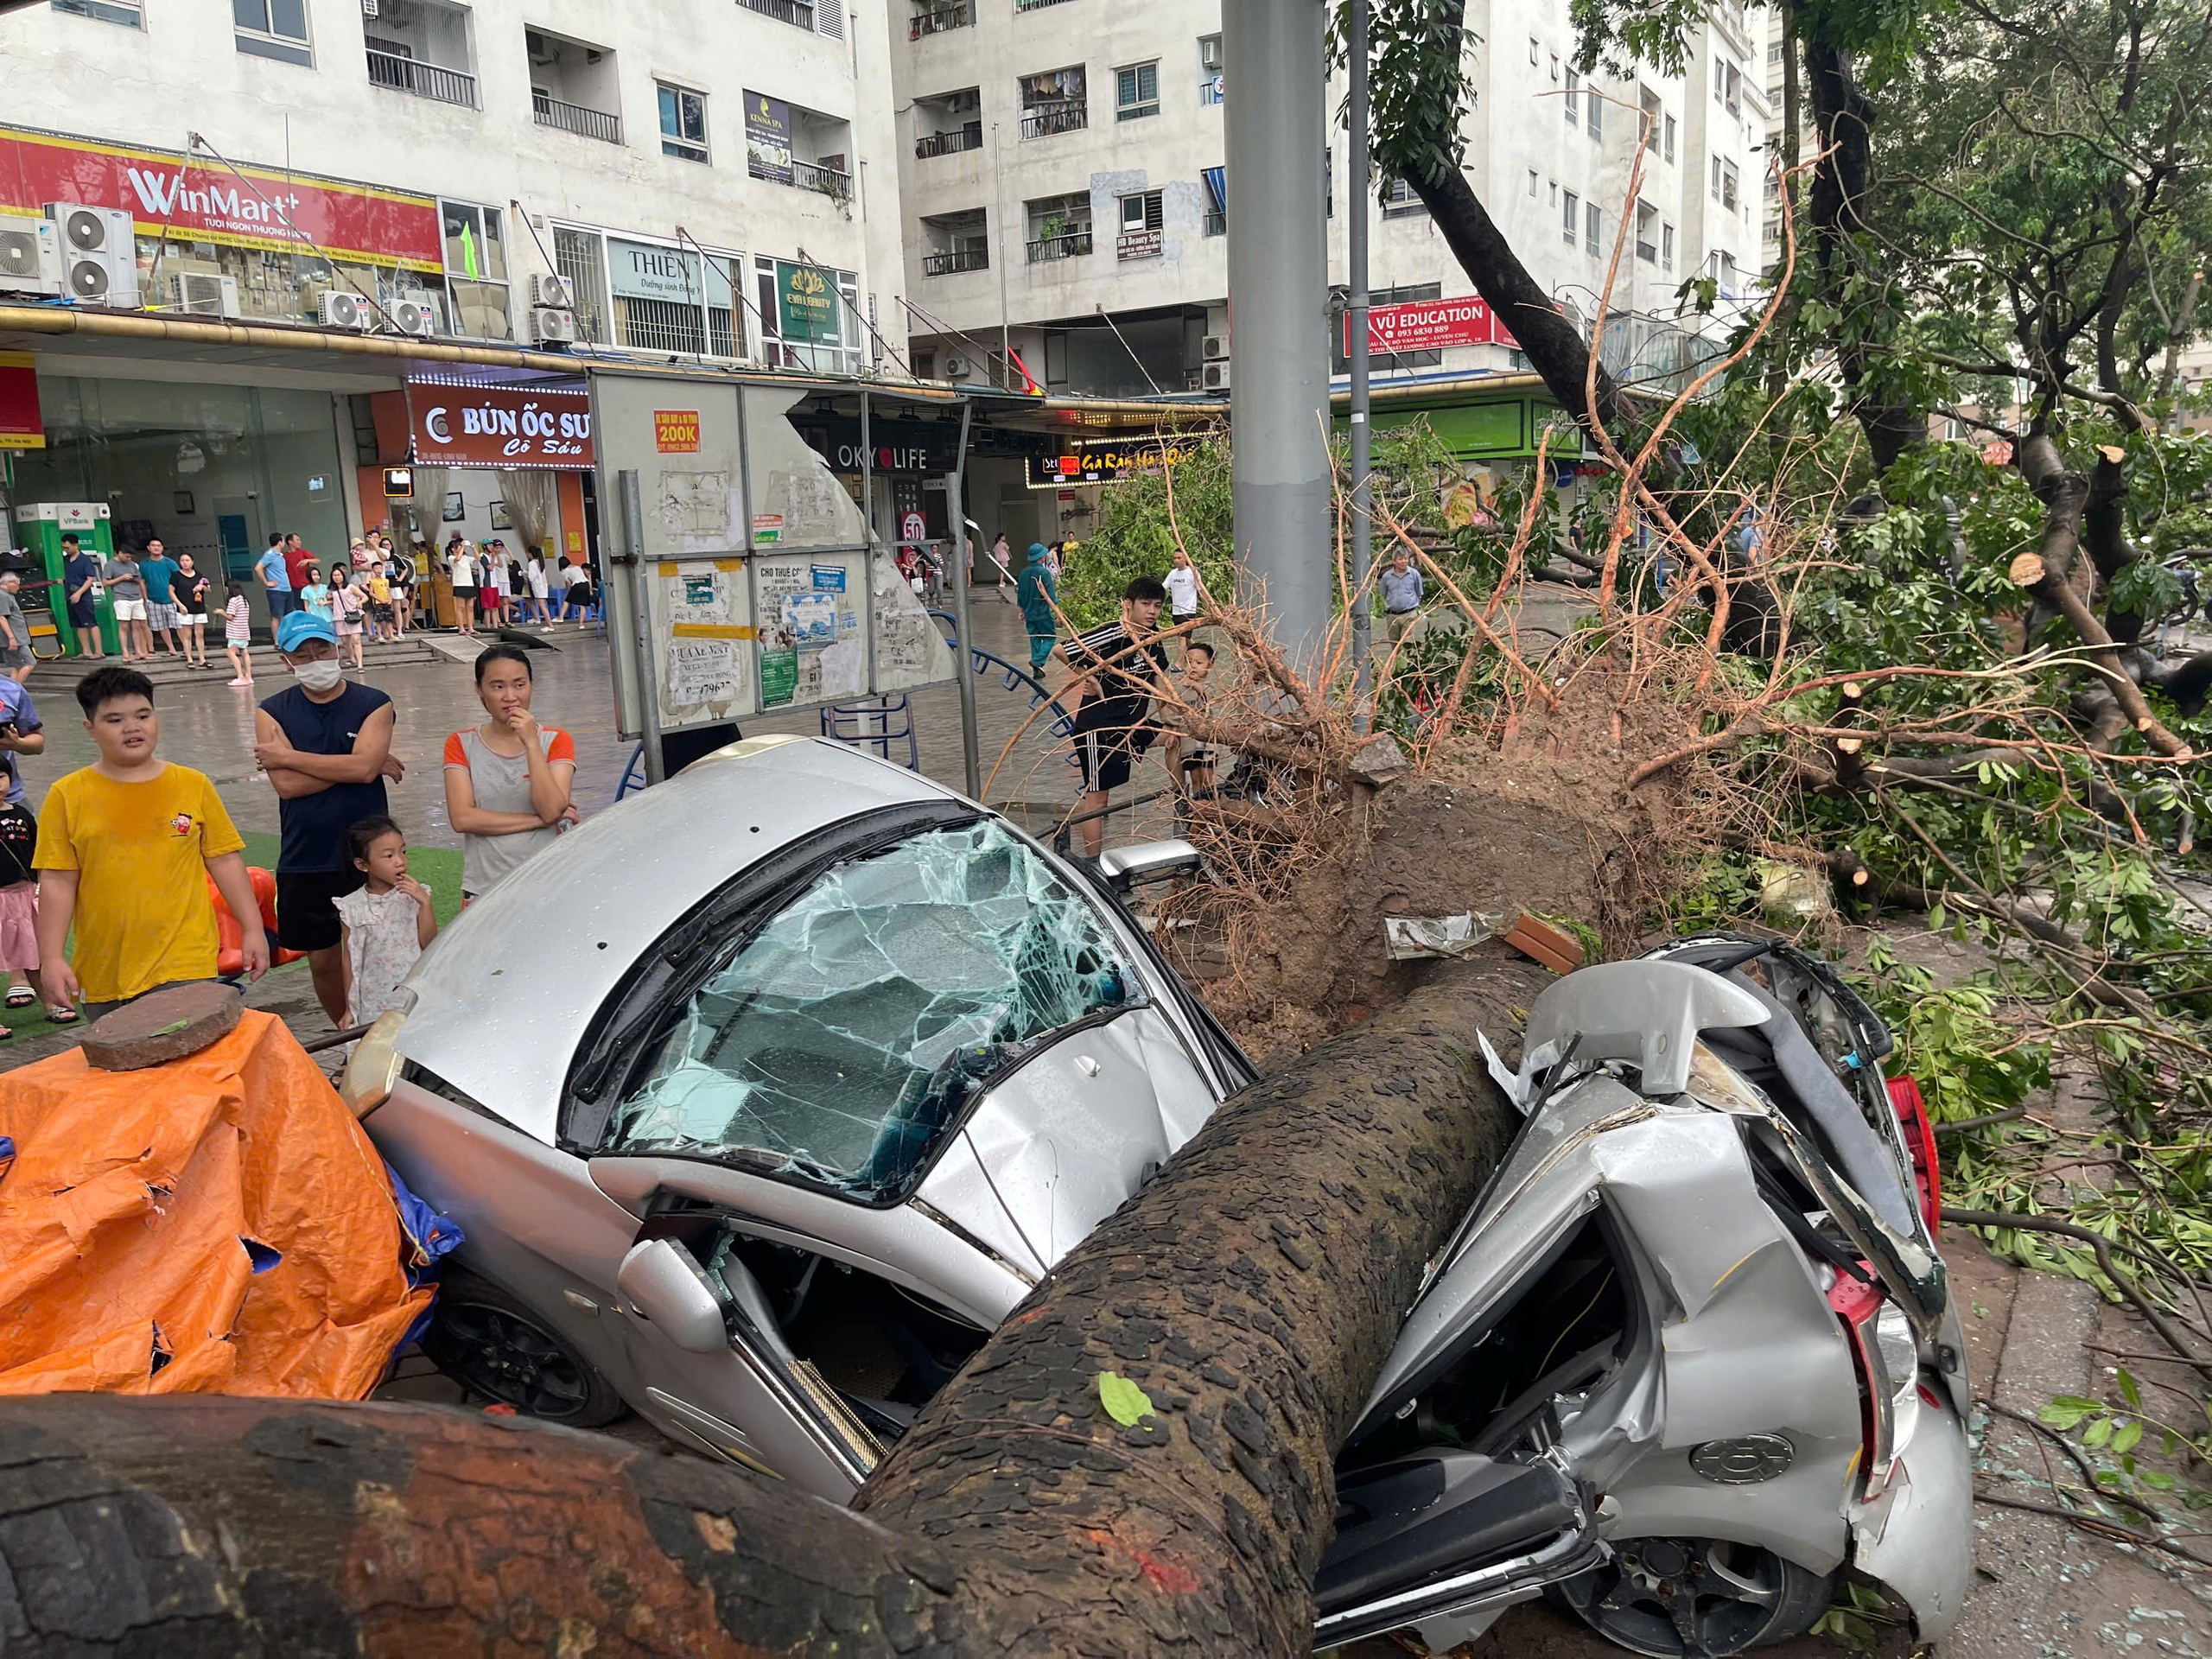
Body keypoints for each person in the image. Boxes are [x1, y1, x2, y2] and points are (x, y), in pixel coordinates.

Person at [33, 664, 268, 1021]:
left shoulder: (192, 785)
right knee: (125, 1070)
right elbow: (58, 880)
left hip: (185, 961)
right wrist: (50, 957)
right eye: (114, 720)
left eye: (142, 715)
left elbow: (225, 860)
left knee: (185, 1064)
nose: (132, 727)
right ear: (90, 729)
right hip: (104, 970)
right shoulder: (67, 795)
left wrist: (253, 928)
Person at [254, 610, 400, 1027]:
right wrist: (358, 764)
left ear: (337, 648)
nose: (315, 660)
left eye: (322, 649)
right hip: (306, 854)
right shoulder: (271, 711)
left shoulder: (374, 703)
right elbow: (287, 787)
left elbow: (362, 771)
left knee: (379, 951)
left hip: (368, 851)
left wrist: (289, 757)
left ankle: (385, 1036)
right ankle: (348, 1034)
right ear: (286, 661)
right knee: (322, 961)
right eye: (302, 655)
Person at [443, 644, 577, 903]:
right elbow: (462, 819)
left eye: (519, 684)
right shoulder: (460, 743)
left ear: (531, 685)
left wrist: (531, 744)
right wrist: (539, 821)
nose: (510, 696)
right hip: (484, 888)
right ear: (479, 689)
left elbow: (550, 809)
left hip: (548, 883)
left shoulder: (556, 740)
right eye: (497, 686)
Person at [1059, 575, 1171, 861]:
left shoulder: (1154, 639)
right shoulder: (1111, 634)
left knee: (1174, 737)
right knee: (1098, 798)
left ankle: (1180, 799)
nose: (1152, 612)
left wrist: (1173, 710)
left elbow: (1159, 679)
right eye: (1145, 604)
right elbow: (1060, 650)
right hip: (1099, 728)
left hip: (1131, 726)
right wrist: (1090, 675)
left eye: (1157, 606)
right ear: (1128, 605)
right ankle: (1094, 864)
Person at [332, 815, 436, 1030]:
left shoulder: (414, 897)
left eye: (403, 852)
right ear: (362, 864)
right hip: (374, 997)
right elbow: (350, 960)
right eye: (388, 856)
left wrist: (425, 905)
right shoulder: (352, 907)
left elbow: (430, 944)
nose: (400, 861)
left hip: (413, 991)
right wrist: (350, 1007)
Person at [0, 672, 47, 1028]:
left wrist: (16, 744)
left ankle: (25, 978)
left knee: (20, 894)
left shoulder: (11, 689)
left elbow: (37, 742)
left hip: (10, 802)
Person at [1162, 638, 1219, 797]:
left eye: (1199, 663)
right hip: (1188, 741)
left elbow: (1209, 697)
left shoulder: (1209, 685)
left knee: (1208, 778)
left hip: (1207, 741)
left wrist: (1193, 684)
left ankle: (1212, 809)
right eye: (1188, 662)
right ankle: (1199, 810)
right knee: (1195, 778)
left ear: (1210, 665)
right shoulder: (1180, 688)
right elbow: (1177, 714)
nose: (1193, 666)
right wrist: (1173, 734)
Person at [1015, 542, 1059, 673]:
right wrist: (1058, 613)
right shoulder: (1044, 573)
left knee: (1035, 640)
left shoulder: (1023, 573)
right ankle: (1038, 661)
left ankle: (1037, 672)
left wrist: (1022, 611)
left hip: (1029, 613)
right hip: (1043, 613)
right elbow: (1051, 597)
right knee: (1050, 637)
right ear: (1042, 557)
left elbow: (1021, 594)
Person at [61, 533, 103, 660]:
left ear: (75, 545)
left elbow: (90, 579)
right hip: (70, 594)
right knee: (79, 624)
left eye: (67, 547)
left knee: (90, 622)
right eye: (63, 548)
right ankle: (86, 651)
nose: (65, 550)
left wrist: (79, 593)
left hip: (83, 596)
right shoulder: (66, 560)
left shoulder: (85, 560)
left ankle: (99, 651)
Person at [103, 546, 147, 662]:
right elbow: (105, 582)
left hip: (136, 597)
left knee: (137, 625)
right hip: (121, 597)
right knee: (124, 625)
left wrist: (134, 579)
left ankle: (138, 651)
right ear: (120, 553)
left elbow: (140, 580)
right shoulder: (110, 565)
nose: (128, 559)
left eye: (130, 557)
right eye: (126, 556)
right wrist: (121, 578)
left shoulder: (132, 565)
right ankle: (125, 652)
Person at [140, 538, 181, 660]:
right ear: (148, 548)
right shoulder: (144, 564)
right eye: (153, 545)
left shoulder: (170, 563)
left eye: (158, 545)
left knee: (179, 625)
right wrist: (145, 598)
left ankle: (186, 648)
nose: (156, 548)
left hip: (171, 599)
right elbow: (142, 582)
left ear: (162, 548)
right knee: (162, 626)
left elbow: (178, 579)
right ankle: (171, 649)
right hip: (153, 600)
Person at [1380, 546, 1425, 645]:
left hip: (1409, 615)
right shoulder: (1386, 577)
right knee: (1394, 646)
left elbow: (1419, 592)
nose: (1403, 561)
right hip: (1392, 616)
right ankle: (1394, 660)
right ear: (1394, 561)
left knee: (1407, 645)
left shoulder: (1414, 574)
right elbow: (1384, 594)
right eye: (1400, 559)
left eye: (1405, 558)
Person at [174, 552, 212, 669]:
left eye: (187, 560)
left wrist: (202, 587)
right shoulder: (176, 576)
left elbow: (209, 589)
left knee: (200, 634)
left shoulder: (199, 575)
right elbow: (171, 592)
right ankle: (189, 658)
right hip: (185, 608)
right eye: (182, 560)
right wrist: (180, 605)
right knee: (187, 635)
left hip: (198, 607)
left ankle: (202, 658)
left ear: (192, 562)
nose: (185, 563)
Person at [331, 566, 367, 671]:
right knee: (345, 641)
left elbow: (365, 596)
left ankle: (360, 665)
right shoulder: (333, 590)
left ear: (343, 576)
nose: (337, 577)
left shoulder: (350, 587)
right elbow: (334, 601)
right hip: (339, 617)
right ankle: (352, 658)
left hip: (353, 615)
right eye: (334, 575)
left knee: (356, 640)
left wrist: (360, 602)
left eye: (339, 575)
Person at [0, 571, 32, 685]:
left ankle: (12, 688)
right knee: (30, 662)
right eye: (17, 585)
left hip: (14, 637)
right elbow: (1, 618)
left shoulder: (7, 596)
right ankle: (14, 690)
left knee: (16, 665)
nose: (18, 588)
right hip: (15, 637)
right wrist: (11, 638)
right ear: (9, 583)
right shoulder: (3, 596)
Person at [1164, 545, 1203, 639]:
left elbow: (1201, 590)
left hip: (1188, 612)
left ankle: (1181, 654)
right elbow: (1163, 587)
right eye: (1174, 558)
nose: (1176, 560)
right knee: (1186, 639)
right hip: (1176, 612)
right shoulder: (1172, 573)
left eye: (1179, 558)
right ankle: (1194, 651)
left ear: (1185, 558)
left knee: (1182, 638)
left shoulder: (1192, 572)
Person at [222, 582, 255, 686]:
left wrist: (221, 612)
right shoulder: (244, 601)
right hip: (244, 631)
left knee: (231, 653)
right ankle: (248, 676)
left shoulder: (233, 600)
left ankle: (240, 676)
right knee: (244, 652)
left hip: (235, 632)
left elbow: (230, 616)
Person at [256, 532, 293, 619]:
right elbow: (258, 568)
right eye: (283, 540)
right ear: (280, 542)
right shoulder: (270, 554)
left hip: (287, 589)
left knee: (289, 616)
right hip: (276, 591)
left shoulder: (280, 555)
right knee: (276, 617)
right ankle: (276, 633)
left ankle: (287, 632)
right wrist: (266, 582)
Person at [447, 535, 479, 636]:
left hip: (469, 584)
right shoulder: (451, 558)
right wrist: (463, 547)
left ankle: (470, 628)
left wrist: (473, 548)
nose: (461, 548)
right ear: (453, 549)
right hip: (459, 584)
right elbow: (458, 559)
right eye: (458, 546)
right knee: (460, 608)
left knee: (470, 607)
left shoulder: (466, 558)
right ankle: (461, 628)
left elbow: (477, 558)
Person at [281, 531, 315, 601]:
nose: (300, 542)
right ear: (290, 542)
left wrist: (307, 561)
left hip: (306, 585)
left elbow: (316, 560)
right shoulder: (284, 556)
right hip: (293, 587)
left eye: (300, 540)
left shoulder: (303, 552)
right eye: (297, 540)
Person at [524, 551, 552, 624]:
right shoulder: (540, 562)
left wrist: (524, 574)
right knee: (542, 605)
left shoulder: (532, 563)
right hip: (543, 586)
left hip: (537, 586)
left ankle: (550, 625)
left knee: (542, 605)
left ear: (530, 554)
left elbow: (531, 577)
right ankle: (548, 623)